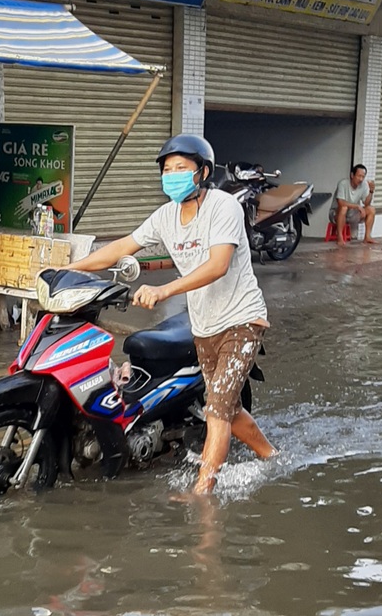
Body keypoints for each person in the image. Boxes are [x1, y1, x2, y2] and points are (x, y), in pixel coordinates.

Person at [72, 134, 275, 496]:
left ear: (203, 173)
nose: (173, 176)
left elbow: (218, 265)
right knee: (225, 406)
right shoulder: (166, 216)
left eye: (181, 168)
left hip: (242, 321)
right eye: (167, 170)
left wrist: (164, 289)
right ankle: (271, 455)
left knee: (216, 412)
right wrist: (70, 268)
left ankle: (203, 494)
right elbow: (122, 247)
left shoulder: (223, 207)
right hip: (204, 326)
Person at [329, 163, 376, 243]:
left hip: (352, 214)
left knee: (371, 209)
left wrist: (371, 191)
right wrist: (357, 206)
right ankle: (340, 238)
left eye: (363, 177)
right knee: (344, 208)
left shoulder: (364, 185)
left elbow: (366, 203)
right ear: (352, 175)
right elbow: (340, 202)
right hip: (336, 214)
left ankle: (367, 237)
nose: (361, 179)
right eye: (359, 176)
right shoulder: (343, 184)